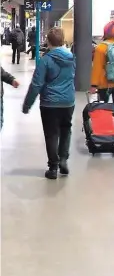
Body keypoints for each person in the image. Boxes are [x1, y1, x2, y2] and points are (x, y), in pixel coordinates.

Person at [22, 27, 76, 180]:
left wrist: (27, 104)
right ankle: (64, 159)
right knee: (66, 130)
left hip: (50, 104)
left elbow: (36, 84)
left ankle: (53, 167)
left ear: (48, 41)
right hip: (68, 102)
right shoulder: (71, 57)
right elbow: (73, 77)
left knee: (51, 134)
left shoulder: (45, 60)